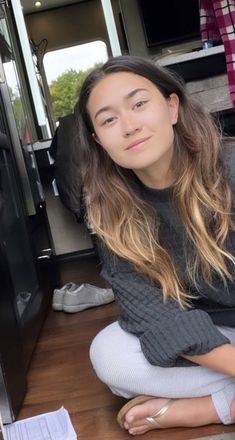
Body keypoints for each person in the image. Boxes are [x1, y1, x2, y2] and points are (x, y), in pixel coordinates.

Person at [74, 54, 235, 436]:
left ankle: (214, 407)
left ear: (172, 106)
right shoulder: (111, 210)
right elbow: (152, 315)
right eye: (109, 119)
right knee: (110, 355)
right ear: (100, 141)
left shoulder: (229, 166)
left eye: (139, 104)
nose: (129, 126)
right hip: (216, 333)